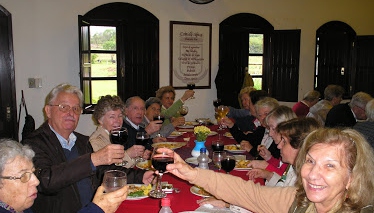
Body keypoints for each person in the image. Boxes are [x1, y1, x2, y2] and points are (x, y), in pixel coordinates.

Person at [165, 128, 374, 213]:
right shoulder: (300, 199)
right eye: (310, 161)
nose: (312, 174)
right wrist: (193, 174)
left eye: (330, 165)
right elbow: (250, 194)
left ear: (352, 178)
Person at [22, 84, 155, 213]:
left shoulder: (81, 141)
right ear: (48, 111)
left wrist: (140, 176)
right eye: (64, 107)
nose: (71, 113)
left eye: (76, 109)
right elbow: (45, 181)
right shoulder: (33, 142)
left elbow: (102, 171)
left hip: (96, 207)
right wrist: (92, 159)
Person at [0, 139, 129, 213]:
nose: (36, 181)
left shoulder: (20, 208)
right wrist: (97, 209)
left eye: (32, 173)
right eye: (23, 176)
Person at [247, 117, 320, 187]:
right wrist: (268, 175)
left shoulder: (307, 178)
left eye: (284, 142)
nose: (279, 146)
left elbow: (285, 196)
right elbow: (283, 186)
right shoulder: (293, 167)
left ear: (299, 146)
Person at [90, 95, 158, 168]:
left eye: (120, 116)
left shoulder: (118, 135)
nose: (118, 121)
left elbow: (126, 161)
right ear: (100, 120)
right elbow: (109, 170)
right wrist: (128, 154)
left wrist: (139, 157)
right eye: (112, 117)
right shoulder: (95, 142)